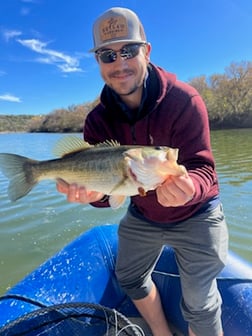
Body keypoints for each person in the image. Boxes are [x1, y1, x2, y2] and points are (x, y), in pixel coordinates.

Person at [57, 7, 228, 336]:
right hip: (143, 213)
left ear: (146, 51)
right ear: (98, 62)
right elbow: (108, 194)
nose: (119, 64)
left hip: (198, 213)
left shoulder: (185, 102)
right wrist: (94, 196)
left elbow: (204, 169)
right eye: (107, 55)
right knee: (130, 277)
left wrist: (190, 187)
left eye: (128, 50)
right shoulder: (96, 121)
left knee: (201, 304)